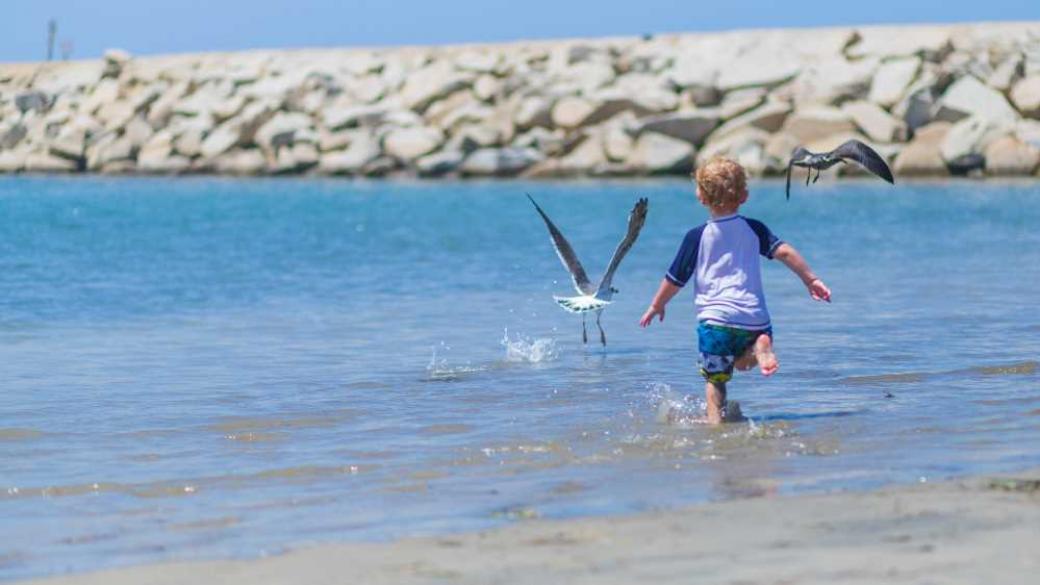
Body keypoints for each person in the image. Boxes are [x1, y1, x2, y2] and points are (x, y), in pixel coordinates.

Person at [639, 157, 831, 424]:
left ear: (701, 197)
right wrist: (811, 280)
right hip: (754, 319)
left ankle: (715, 427)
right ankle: (760, 348)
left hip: (716, 322)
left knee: (715, 380)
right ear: (745, 196)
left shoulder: (697, 236)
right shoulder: (755, 229)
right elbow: (784, 252)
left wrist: (657, 304)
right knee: (744, 362)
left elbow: (675, 278)